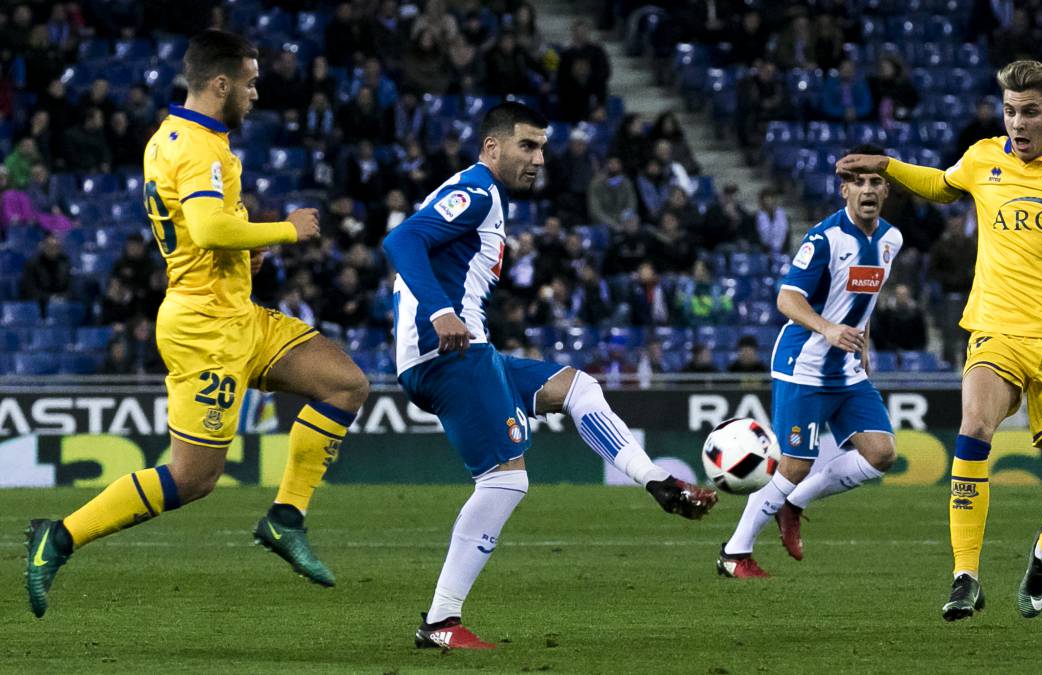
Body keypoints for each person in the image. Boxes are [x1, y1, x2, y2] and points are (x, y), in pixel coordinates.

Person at [24, 30, 371, 619]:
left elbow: (202, 229)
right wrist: (285, 230)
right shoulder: (200, 149)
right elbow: (209, 229)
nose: (256, 93)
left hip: (237, 312)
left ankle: (285, 519)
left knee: (345, 383)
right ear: (220, 84)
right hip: (204, 327)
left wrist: (246, 251)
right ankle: (57, 538)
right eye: (250, 82)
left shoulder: (174, 137)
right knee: (192, 479)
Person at [836, 60, 1042, 621]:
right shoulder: (984, 156)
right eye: (1010, 111)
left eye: (1030, 112)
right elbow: (944, 187)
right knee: (973, 425)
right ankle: (965, 576)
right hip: (996, 330)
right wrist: (889, 167)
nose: (1017, 123)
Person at [381, 102, 716, 650]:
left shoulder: (487, 195)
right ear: (492, 147)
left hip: (469, 350)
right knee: (506, 480)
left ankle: (655, 478)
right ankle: (441, 622)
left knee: (579, 388)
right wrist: (442, 311)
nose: (538, 158)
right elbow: (401, 241)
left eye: (542, 147)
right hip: (445, 353)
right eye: (526, 146)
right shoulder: (478, 189)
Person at [718, 144, 902, 579]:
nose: (867, 189)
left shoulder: (891, 240)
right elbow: (786, 298)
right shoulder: (824, 239)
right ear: (844, 190)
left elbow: (864, 302)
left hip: (848, 370)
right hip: (804, 364)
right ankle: (734, 553)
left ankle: (794, 504)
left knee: (882, 453)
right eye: (858, 181)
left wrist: (864, 346)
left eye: (876, 181)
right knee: (795, 465)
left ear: (887, 190)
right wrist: (828, 329)